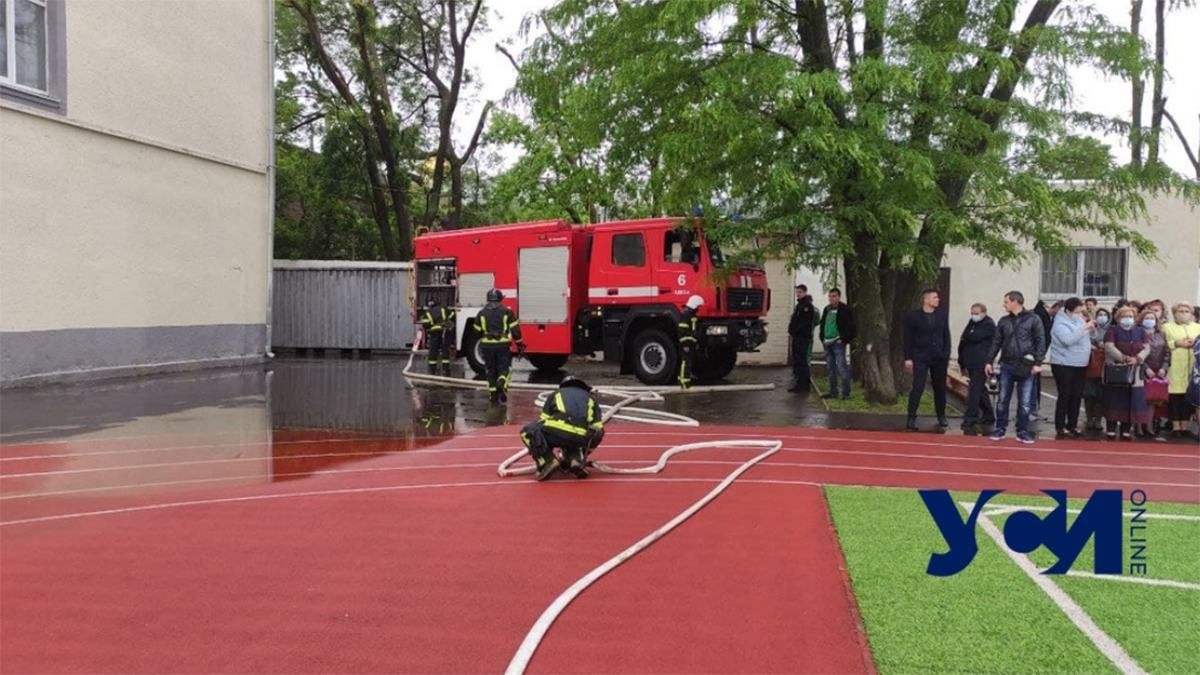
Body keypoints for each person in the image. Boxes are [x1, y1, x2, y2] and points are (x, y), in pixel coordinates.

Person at [986, 291, 1047, 444]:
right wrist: (989, 361)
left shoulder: (1034, 319)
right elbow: (996, 342)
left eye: (1006, 301)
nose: (1004, 304)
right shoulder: (1003, 321)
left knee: (1025, 401)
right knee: (1002, 399)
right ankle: (1000, 428)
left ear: (1015, 302)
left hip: (1026, 364)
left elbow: (1041, 340)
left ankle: (1022, 430)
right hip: (1007, 363)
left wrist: (1038, 363)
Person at [520, 375, 605, 480]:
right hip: (581, 437)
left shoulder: (556, 394)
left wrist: (540, 447)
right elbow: (598, 430)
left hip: (559, 431)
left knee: (530, 431)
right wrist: (586, 451)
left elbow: (542, 421)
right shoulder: (591, 398)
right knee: (575, 436)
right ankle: (576, 459)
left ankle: (548, 461)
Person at [902, 289, 951, 430]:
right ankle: (911, 417)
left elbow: (946, 335)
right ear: (926, 300)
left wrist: (946, 353)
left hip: (938, 357)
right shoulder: (913, 316)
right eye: (935, 297)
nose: (938, 300)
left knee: (940, 388)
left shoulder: (941, 315)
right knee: (918, 387)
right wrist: (908, 357)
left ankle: (941, 415)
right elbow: (908, 338)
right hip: (920, 356)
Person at [1048, 297, 1096, 438]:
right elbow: (1068, 340)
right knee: (1065, 395)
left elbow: (1083, 338)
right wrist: (1084, 328)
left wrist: (1090, 330)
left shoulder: (1079, 320)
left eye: (1081, 312)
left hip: (1080, 363)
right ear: (1068, 311)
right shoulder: (1060, 323)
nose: (1080, 315)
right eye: (1077, 312)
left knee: (1076, 396)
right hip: (1064, 364)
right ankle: (1060, 426)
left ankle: (1072, 425)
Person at [1102, 306, 1151, 441]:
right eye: (1124, 316)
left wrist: (1137, 359)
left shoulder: (1140, 331)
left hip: (1135, 371)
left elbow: (1147, 348)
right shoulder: (1112, 330)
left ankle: (1126, 429)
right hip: (1117, 370)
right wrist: (1124, 358)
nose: (1128, 319)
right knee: (1115, 399)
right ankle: (1111, 429)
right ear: (1118, 318)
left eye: (1130, 316)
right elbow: (1109, 347)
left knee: (1133, 400)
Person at [474, 288, 525, 404]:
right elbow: (516, 331)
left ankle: (493, 395)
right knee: (505, 368)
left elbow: (476, 331)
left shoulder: (481, 313)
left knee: (490, 369)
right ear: (500, 298)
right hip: (502, 344)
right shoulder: (507, 311)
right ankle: (501, 383)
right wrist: (520, 344)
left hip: (487, 345)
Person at [1162, 302, 1200, 438]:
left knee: (1189, 399)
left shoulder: (1197, 328)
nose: (1184, 314)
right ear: (1174, 313)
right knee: (1175, 398)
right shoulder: (1166, 327)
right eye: (1180, 311)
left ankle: (1185, 427)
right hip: (1175, 366)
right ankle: (1176, 426)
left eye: (1187, 311)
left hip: (1193, 368)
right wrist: (1176, 343)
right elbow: (1162, 344)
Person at [958, 303, 996, 434]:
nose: (974, 315)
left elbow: (973, 337)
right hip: (970, 361)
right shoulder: (972, 323)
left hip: (981, 362)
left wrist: (969, 336)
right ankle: (988, 414)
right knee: (979, 389)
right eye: (972, 312)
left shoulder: (989, 325)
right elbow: (965, 337)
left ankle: (971, 417)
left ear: (984, 313)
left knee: (975, 389)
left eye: (976, 313)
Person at [819, 288, 857, 399]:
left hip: (838, 342)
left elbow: (852, 327)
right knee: (831, 369)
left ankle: (846, 394)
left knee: (842, 367)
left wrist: (844, 339)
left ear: (839, 297)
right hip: (827, 342)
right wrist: (822, 337)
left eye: (834, 296)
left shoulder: (844, 309)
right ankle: (833, 392)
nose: (832, 298)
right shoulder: (827, 309)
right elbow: (823, 324)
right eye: (830, 296)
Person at [1141, 310, 1171, 440]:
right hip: (1141, 370)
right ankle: (1138, 427)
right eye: (1146, 318)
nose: (1149, 320)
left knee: (1152, 401)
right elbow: (1135, 352)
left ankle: (1149, 427)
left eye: (1152, 318)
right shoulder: (1138, 333)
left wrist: (1164, 368)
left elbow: (1167, 353)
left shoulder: (1161, 334)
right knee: (1139, 399)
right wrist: (1146, 368)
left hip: (1158, 371)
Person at [1083, 308, 1111, 431]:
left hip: (1106, 364)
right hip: (1090, 363)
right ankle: (1089, 418)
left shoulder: (1111, 330)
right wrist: (1092, 346)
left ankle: (1098, 419)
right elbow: (1083, 340)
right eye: (1100, 314)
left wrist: (1106, 346)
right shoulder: (1090, 328)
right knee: (1089, 394)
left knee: (1101, 395)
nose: (1102, 317)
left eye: (1105, 315)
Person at [787, 285, 818, 393]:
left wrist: (795, 331)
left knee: (802, 361)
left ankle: (804, 385)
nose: (798, 294)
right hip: (797, 337)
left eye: (800, 292)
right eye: (797, 292)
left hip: (802, 337)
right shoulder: (799, 305)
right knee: (797, 360)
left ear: (805, 292)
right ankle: (799, 383)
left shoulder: (807, 306)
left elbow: (804, 323)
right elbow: (794, 320)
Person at [418, 298, 455, 374]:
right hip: (445, 331)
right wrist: (448, 323)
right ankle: (446, 368)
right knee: (445, 349)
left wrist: (430, 329)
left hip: (434, 333)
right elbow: (452, 316)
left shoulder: (427, 313)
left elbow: (425, 325)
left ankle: (432, 368)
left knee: (434, 350)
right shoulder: (443, 308)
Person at [677, 294, 704, 389]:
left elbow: (694, 331)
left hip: (691, 343)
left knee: (689, 362)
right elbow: (682, 331)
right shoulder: (685, 315)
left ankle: (686, 380)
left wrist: (695, 342)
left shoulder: (692, 315)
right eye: (698, 306)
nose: (698, 309)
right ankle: (683, 382)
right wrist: (685, 344)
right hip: (686, 343)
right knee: (686, 362)